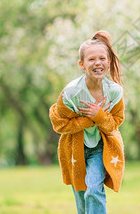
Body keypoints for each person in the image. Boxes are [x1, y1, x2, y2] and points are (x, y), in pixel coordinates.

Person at [49, 30, 125, 214]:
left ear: (108, 62)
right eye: (91, 59)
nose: (97, 63)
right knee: (81, 196)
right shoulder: (71, 92)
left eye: (102, 58)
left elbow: (115, 123)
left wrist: (99, 115)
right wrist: (88, 120)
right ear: (82, 65)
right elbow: (59, 123)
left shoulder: (114, 92)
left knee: (93, 189)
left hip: (100, 148)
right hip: (75, 149)